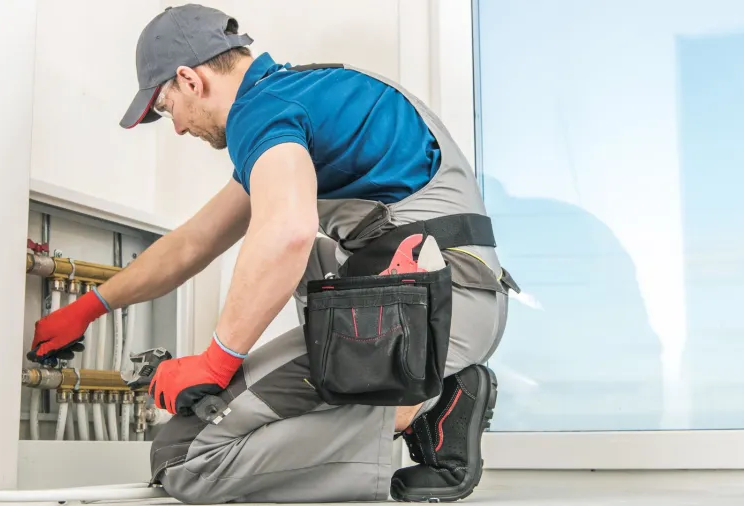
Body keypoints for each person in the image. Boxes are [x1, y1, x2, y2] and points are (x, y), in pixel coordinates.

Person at [27, 4, 514, 503]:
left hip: (434, 310)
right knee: (189, 434)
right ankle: (407, 398)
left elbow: (287, 233)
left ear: (190, 79)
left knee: (183, 456)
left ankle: (421, 410)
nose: (175, 128)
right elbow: (195, 241)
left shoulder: (263, 113)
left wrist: (215, 363)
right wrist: (91, 307)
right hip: (448, 299)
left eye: (166, 108)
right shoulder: (295, 98)